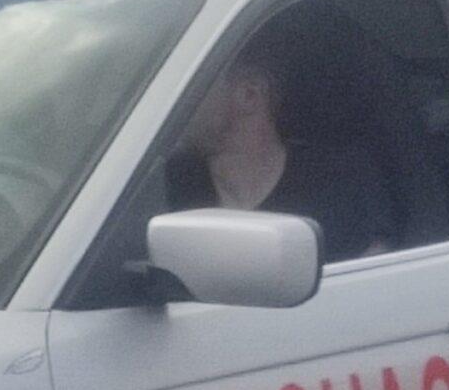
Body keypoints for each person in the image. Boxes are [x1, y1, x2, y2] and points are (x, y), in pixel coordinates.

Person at [168, 44, 395, 264]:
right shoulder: (166, 188)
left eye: (192, 84)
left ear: (249, 94)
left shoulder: (342, 183)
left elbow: (375, 276)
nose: (174, 100)